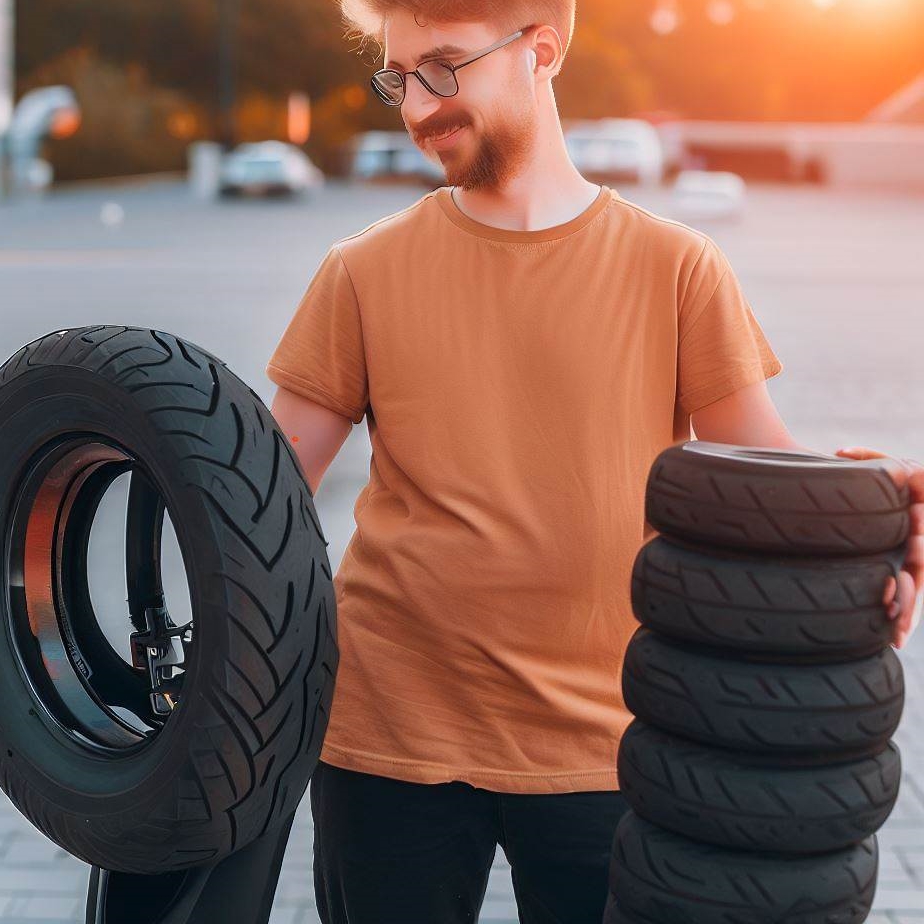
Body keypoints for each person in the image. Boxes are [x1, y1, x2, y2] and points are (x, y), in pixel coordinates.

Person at [264, 2, 924, 921]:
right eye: (399, 76)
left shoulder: (678, 268)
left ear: (541, 50)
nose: (416, 107)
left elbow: (769, 486)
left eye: (444, 68)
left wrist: (874, 516)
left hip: (608, 739)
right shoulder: (361, 272)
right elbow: (253, 500)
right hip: (390, 738)